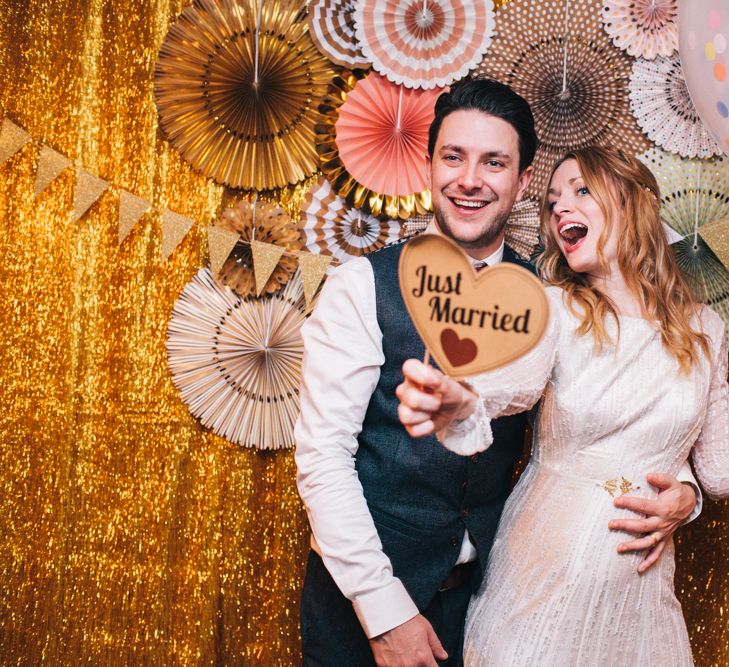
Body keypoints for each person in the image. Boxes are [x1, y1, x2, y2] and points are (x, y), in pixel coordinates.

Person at [295, 80, 700, 667]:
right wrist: (386, 613)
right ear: (429, 164)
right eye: (453, 156)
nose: (469, 179)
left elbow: (644, 400)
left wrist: (684, 496)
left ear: (522, 180)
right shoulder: (361, 286)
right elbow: (322, 459)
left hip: (490, 604)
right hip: (365, 606)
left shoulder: (553, 300)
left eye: (494, 162)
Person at [397, 144, 728, 665]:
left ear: (634, 202)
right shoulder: (554, 307)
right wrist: (460, 400)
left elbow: (719, 469)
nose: (560, 209)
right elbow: (506, 387)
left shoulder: (706, 329)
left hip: (635, 601)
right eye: (552, 201)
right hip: (539, 580)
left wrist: (686, 497)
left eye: (580, 191)